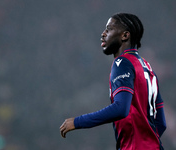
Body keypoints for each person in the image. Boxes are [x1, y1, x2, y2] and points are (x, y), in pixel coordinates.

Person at [60, 13, 166, 150]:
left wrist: (77, 121)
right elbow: (161, 123)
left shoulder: (122, 62)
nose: (103, 34)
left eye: (109, 29)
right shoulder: (148, 68)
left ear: (125, 36)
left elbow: (121, 108)